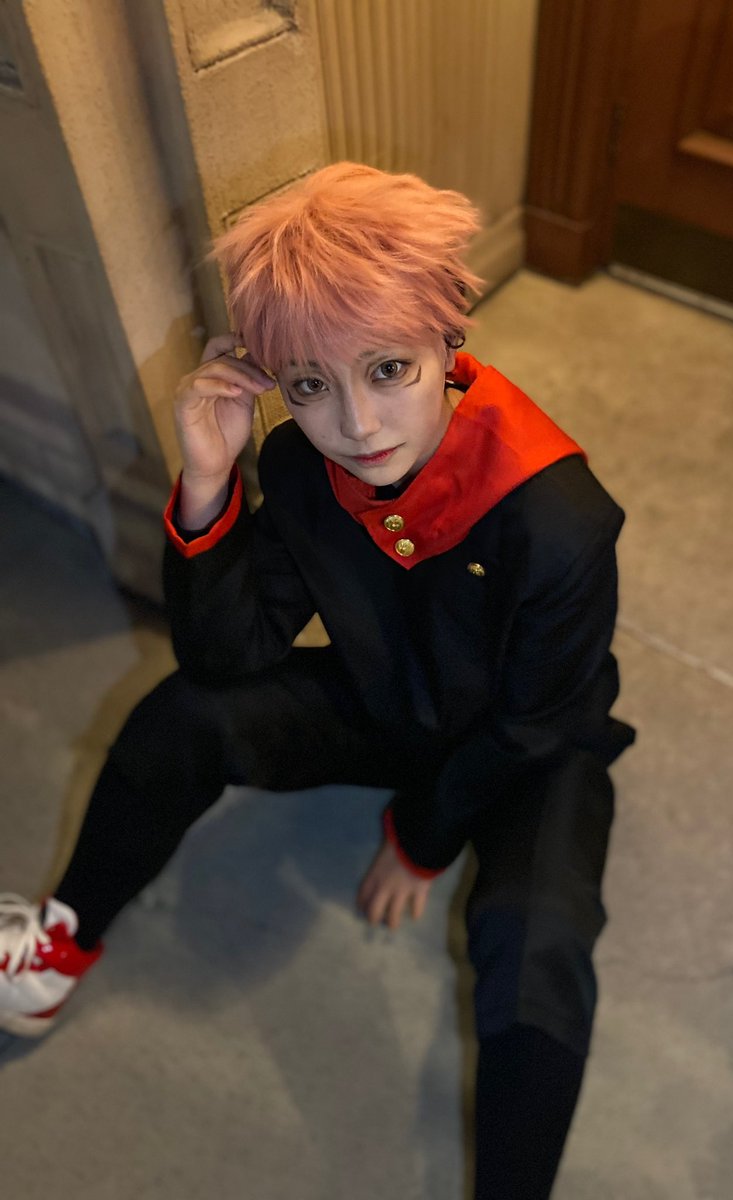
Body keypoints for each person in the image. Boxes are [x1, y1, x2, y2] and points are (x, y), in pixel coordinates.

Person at [0, 163, 634, 1198]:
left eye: (388, 370)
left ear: (448, 339)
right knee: (184, 714)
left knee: (535, 946)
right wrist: (209, 481)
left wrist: (418, 842)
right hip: (387, 704)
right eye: (309, 386)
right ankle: (56, 952)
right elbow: (226, 657)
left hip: (532, 749)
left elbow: (533, 725)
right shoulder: (304, 464)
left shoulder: (558, 517)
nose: (358, 423)